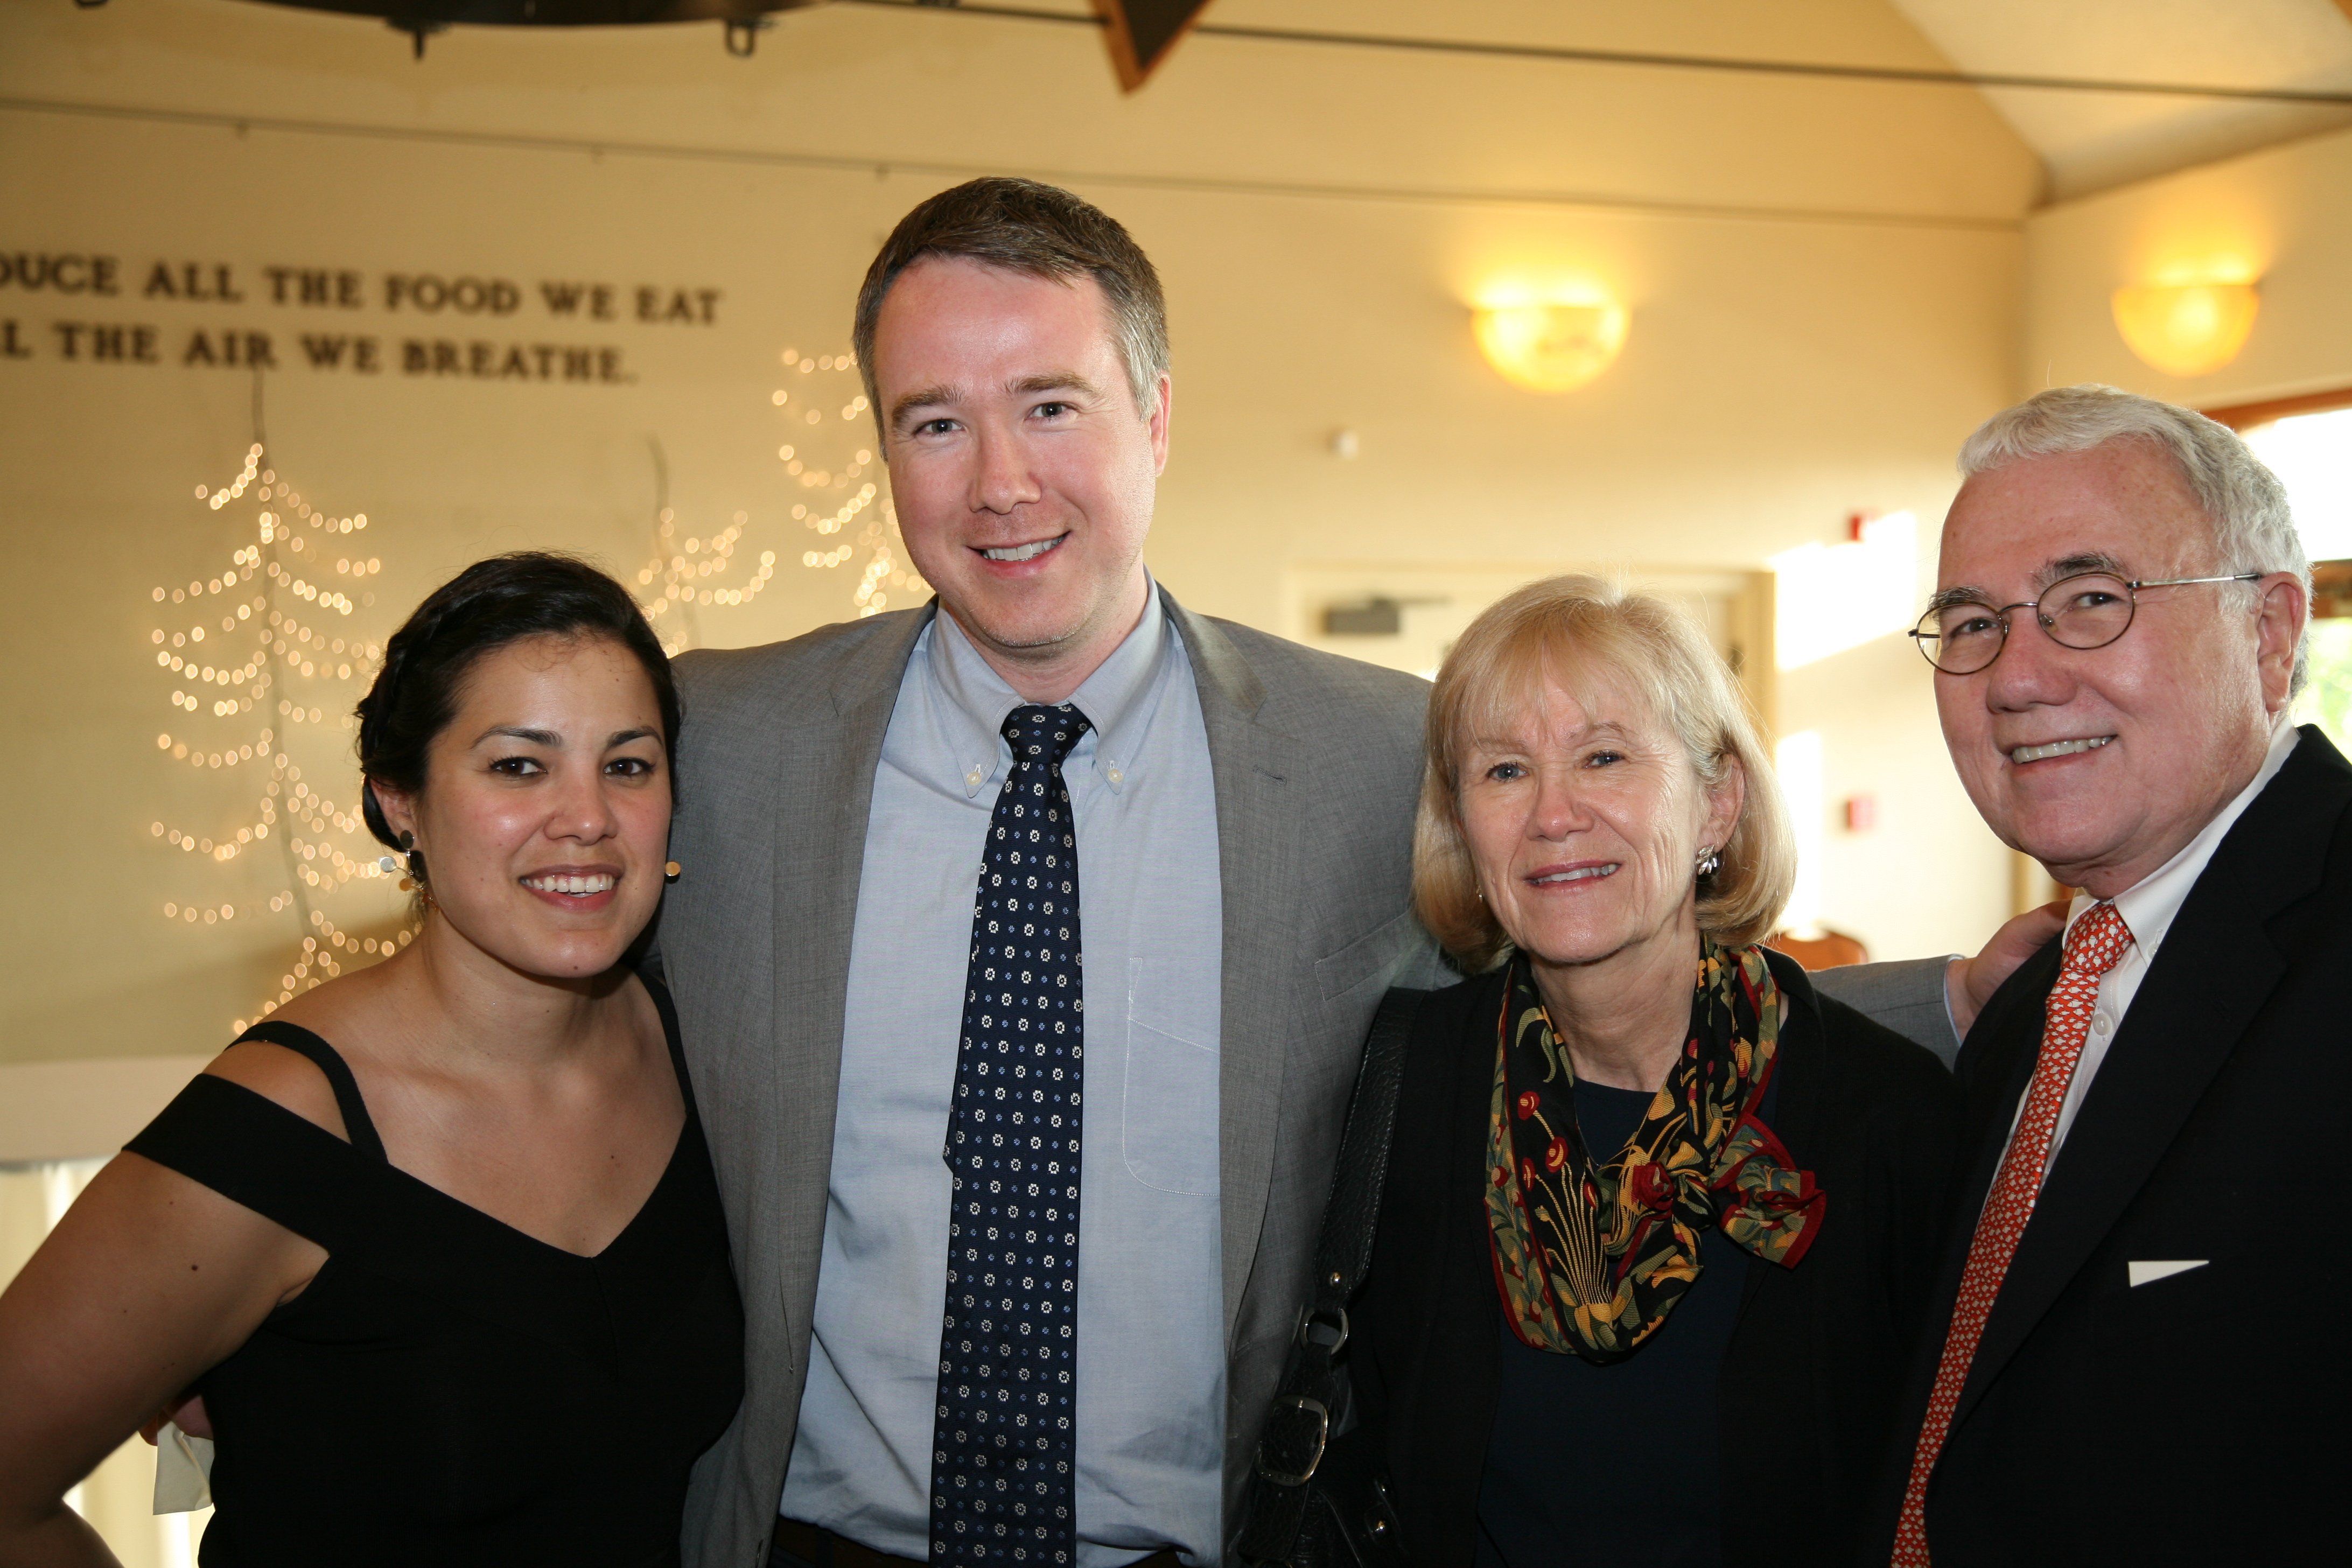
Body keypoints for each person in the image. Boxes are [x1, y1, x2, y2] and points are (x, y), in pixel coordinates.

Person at [653, 177, 1450, 1568]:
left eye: (1050, 406)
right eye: (936, 423)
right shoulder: (718, 746)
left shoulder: (1382, 763)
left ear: (1156, 420)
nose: (1000, 483)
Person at [0, 554, 743, 1565]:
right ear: (400, 800)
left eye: (628, 765)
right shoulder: (276, 1131)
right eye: (518, 766)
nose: (588, 818)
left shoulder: (702, 1046)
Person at [1346, 577, 1964, 1567]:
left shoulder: (1888, 1116)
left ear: (1717, 803)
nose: (1553, 815)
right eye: (1505, 770)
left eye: (1604, 756)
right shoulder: (1406, 1085)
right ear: (1461, 824)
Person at [1857, 385, 2348, 1563]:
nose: (2015, 678)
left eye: (2091, 600)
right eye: (1971, 622)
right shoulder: (2039, 1000)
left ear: (2269, 633)